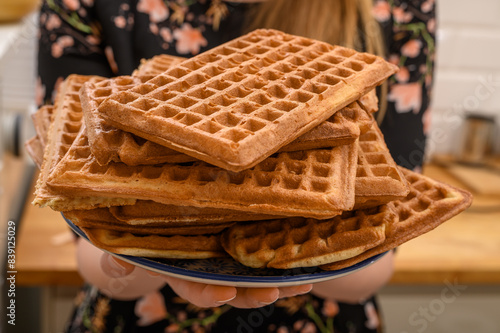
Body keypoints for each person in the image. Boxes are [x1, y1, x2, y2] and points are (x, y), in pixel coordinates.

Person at [36, 0, 436, 332]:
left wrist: (307, 250)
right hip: (137, 315)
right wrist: (138, 260)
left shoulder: (399, 7)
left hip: (322, 317)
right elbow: (92, 248)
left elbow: (385, 227)